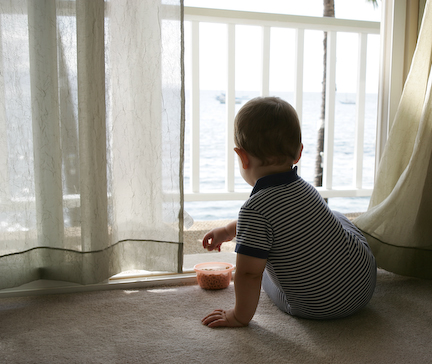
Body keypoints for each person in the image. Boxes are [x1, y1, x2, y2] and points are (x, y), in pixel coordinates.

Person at [201, 96, 377, 328]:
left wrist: (238, 316)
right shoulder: (307, 190)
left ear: (242, 157)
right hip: (364, 287)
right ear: (299, 152)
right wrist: (227, 230)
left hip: (315, 306)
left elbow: (248, 275)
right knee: (337, 217)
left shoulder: (254, 209)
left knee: (260, 272)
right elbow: (272, 219)